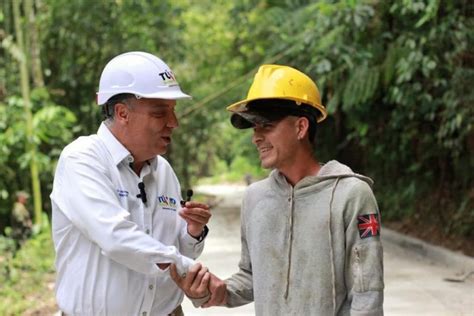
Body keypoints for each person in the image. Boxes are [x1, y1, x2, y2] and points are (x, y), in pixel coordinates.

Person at [178, 64, 384, 315]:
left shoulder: (350, 194)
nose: (256, 137)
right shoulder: (255, 198)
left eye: (266, 125)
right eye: (254, 128)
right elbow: (252, 278)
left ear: (300, 128)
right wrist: (213, 291)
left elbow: (367, 291)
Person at [50, 51, 217, 316]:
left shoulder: (163, 171)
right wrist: (184, 266)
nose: (173, 123)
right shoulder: (82, 159)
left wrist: (192, 233)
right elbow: (116, 237)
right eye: (160, 113)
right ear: (122, 112)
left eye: (173, 112)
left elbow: (174, 251)